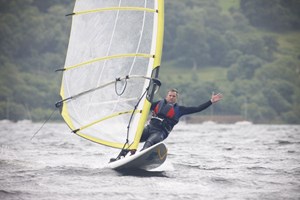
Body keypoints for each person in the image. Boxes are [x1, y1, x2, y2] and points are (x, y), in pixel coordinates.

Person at [140, 88, 223, 150]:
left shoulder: (180, 109)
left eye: (174, 96)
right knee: (134, 136)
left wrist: (211, 101)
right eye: (170, 95)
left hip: (160, 133)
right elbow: (143, 106)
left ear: (176, 98)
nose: (171, 97)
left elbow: (197, 108)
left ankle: (140, 157)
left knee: (149, 143)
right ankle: (127, 152)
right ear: (166, 96)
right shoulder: (157, 104)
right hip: (149, 128)